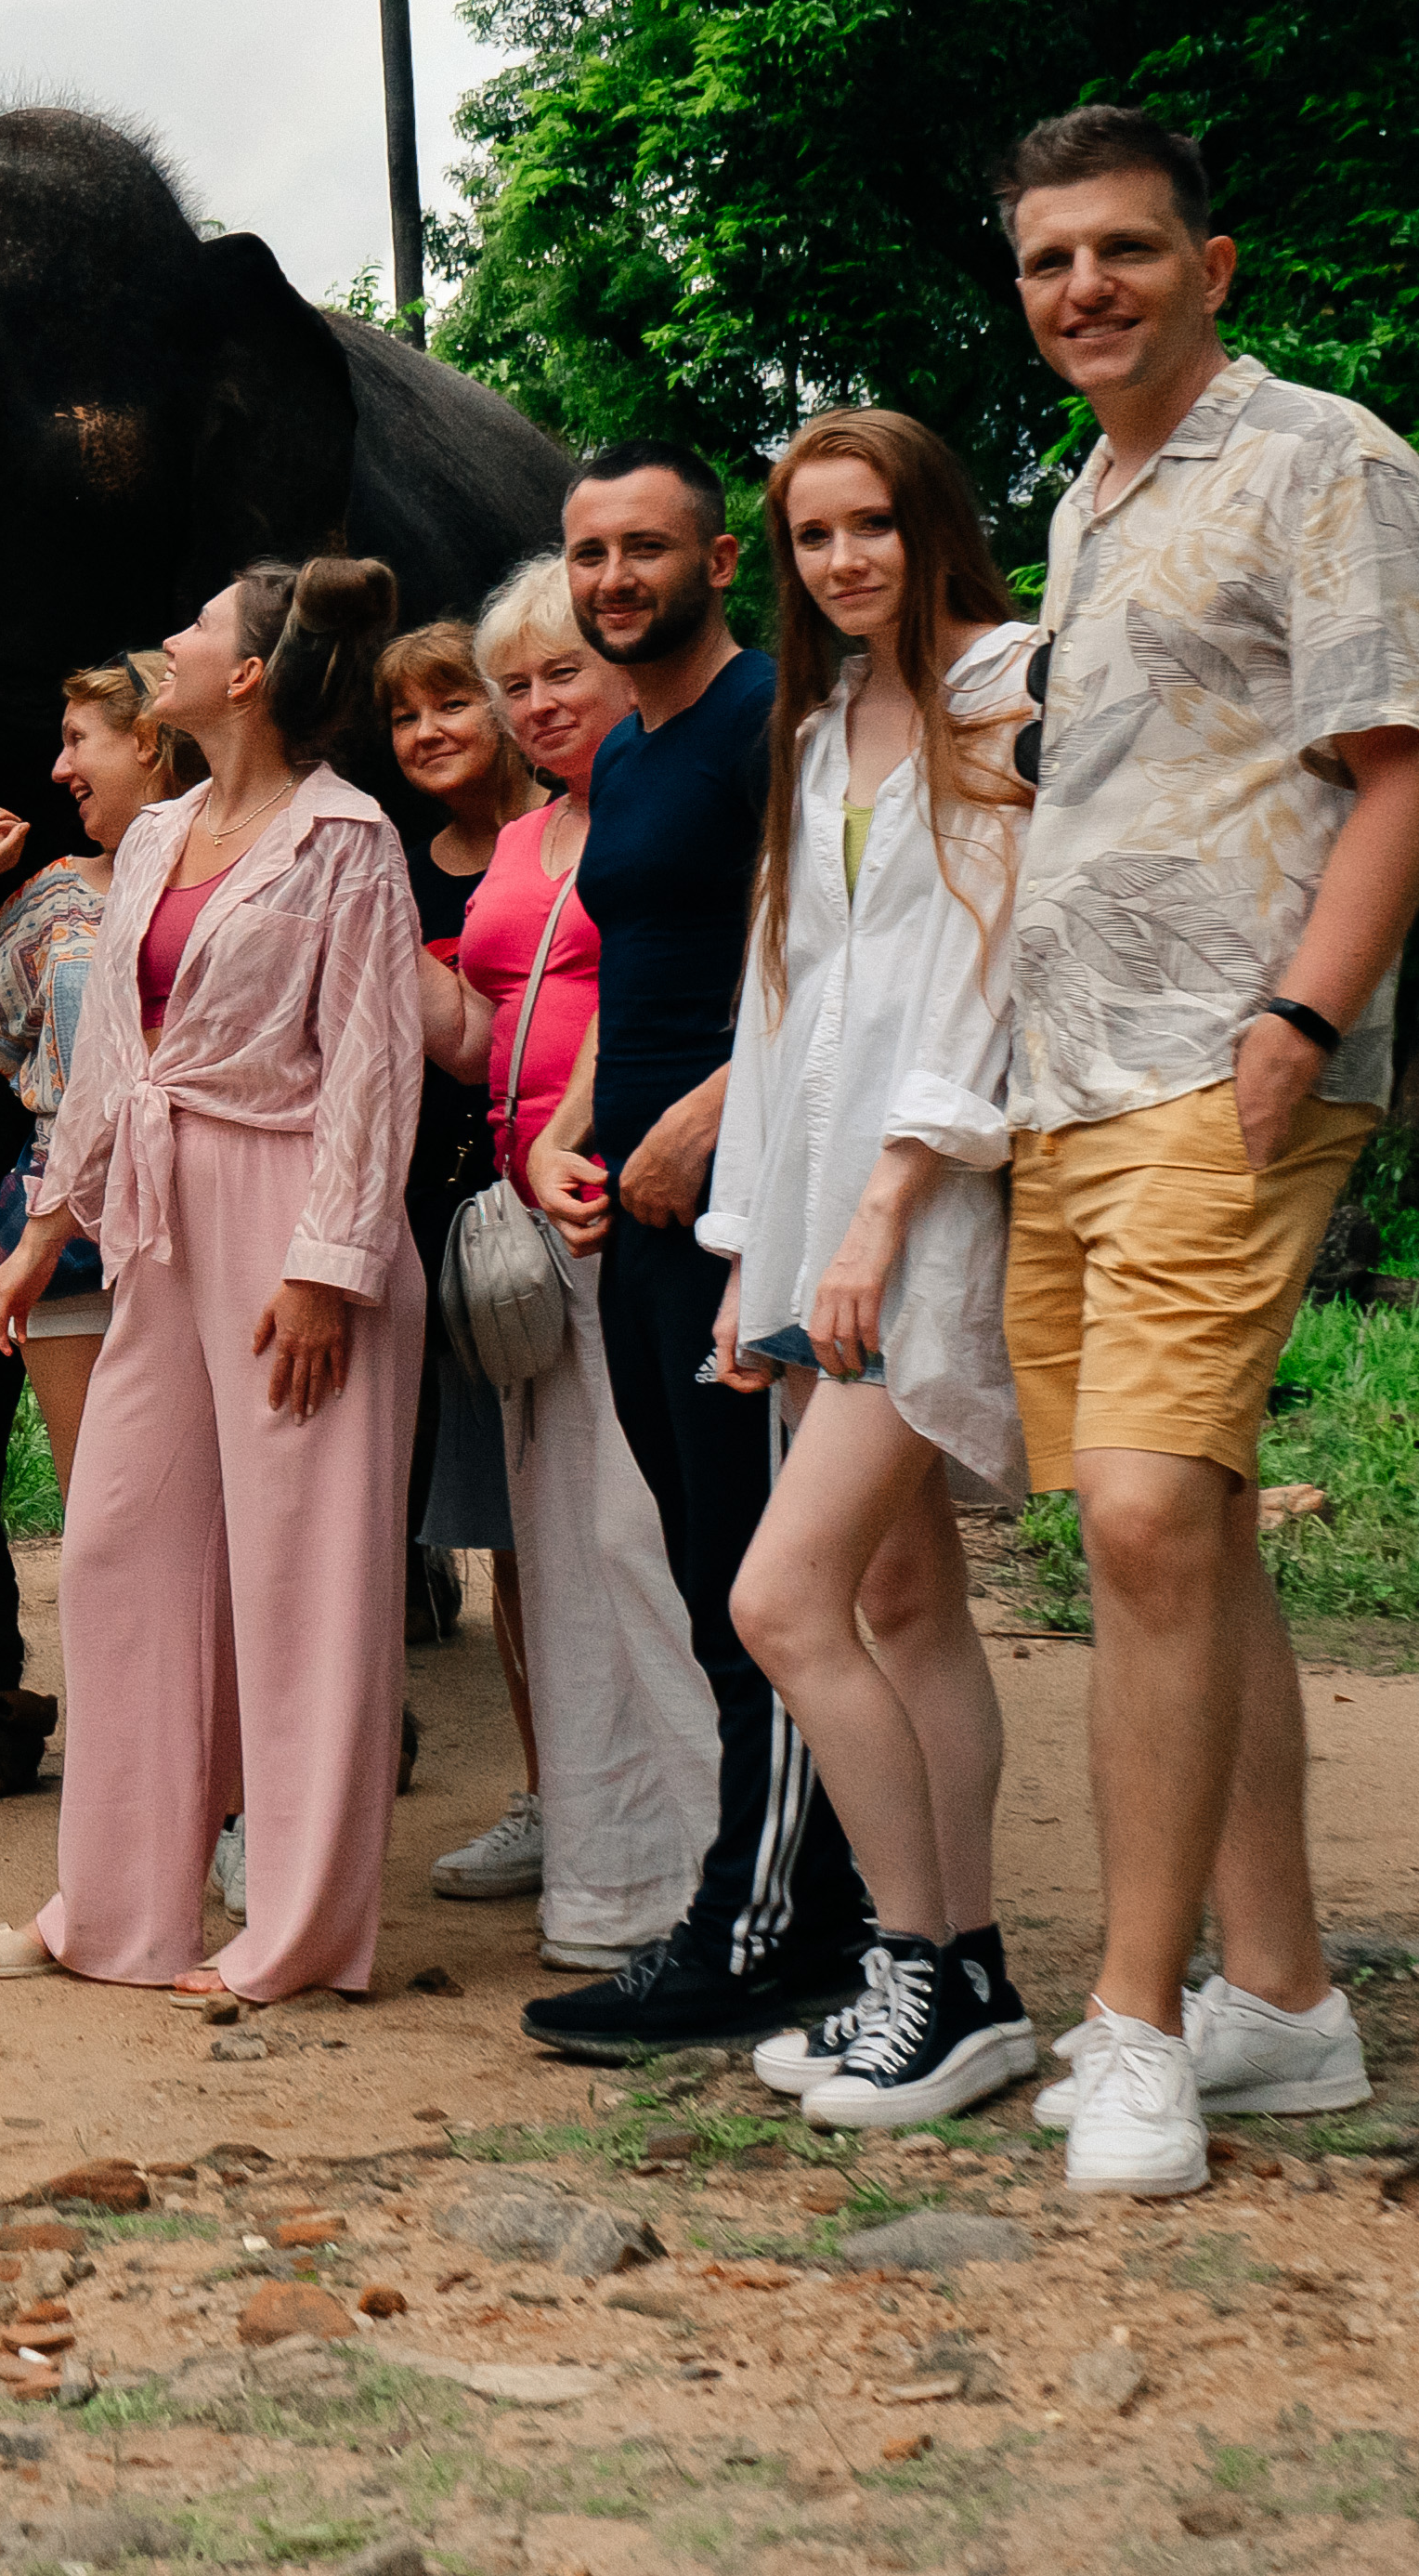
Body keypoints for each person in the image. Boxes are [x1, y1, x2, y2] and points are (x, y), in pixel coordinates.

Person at [987, 106, 1419, 2194]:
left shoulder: (1325, 461)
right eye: (1048, 260)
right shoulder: (1083, 502)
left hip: (1227, 1062)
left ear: (1213, 263)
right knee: (1189, 1527)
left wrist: (1299, 1020)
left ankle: (1137, 2023)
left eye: (1123, 248)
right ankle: (1284, 1993)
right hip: (1070, 1081)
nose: (1084, 287)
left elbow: (1409, 776)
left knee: (1146, 1520)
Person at [0, 556, 429, 2007]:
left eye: (201, 624)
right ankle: (115, 1912)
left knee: (304, 1581)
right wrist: (44, 1234)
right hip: (158, 1228)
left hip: (297, 1221)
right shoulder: (160, 832)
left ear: (251, 674)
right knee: (119, 1546)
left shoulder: (350, 840)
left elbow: (374, 1063)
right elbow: (110, 1064)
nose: (172, 634)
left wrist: (329, 1271)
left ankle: (295, 1931)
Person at [696, 412, 1047, 2128]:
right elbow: (784, 999)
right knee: (905, 1604)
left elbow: (996, 972)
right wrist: (749, 1245)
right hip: (823, 1223)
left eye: (873, 526)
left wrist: (886, 1211)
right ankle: (967, 1979)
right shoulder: (821, 725)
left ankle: (914, 1960)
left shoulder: (1008, 691)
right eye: (814, 534)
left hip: (935, 1215)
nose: (843, 560)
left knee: (783, 1601)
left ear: (934, 525)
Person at [514, 438, 873, 2058]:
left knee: (754, 1581)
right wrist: (571, 1126)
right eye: (590, 554)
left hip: (753, 1214)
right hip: (645, 1214)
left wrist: (700, 1121)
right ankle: (815, 1912)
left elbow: (831, 963)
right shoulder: (631, 752)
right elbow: (639, 968)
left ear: (721, 561)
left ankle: (756, 1930)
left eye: (645, 549)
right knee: (698, 1566)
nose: (613, 581)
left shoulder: (770, 726)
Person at [454, 564, 715, 1974]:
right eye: (517, 685)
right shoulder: (519, 837)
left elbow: (666, 992)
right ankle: (610, 1893)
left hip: (639, 1204)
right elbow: (475, 1023)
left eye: (564, 671)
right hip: (528, 1230)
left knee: (643, 1540)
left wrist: (576, 1129)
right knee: (559, 1561)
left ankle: (720, 1877)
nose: (538, 703)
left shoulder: (671, 812)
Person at [0, 659, 193, 1496]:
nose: (58, 768)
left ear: (148, 741)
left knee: (208, 1496)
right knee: (102, 1502)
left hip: (208, 1201)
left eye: (77, 740)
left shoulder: (245, 871)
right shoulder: (59, 896)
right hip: (66, 1221)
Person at [374, 621, 533, 1892]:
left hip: (544, 1198)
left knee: (554, 1520)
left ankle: (590, 1790)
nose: (427, 733)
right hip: (422, 1210)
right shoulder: (397, 870)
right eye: (403, 716)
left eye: (452, 704)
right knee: (448, 1503)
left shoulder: (570, 841)